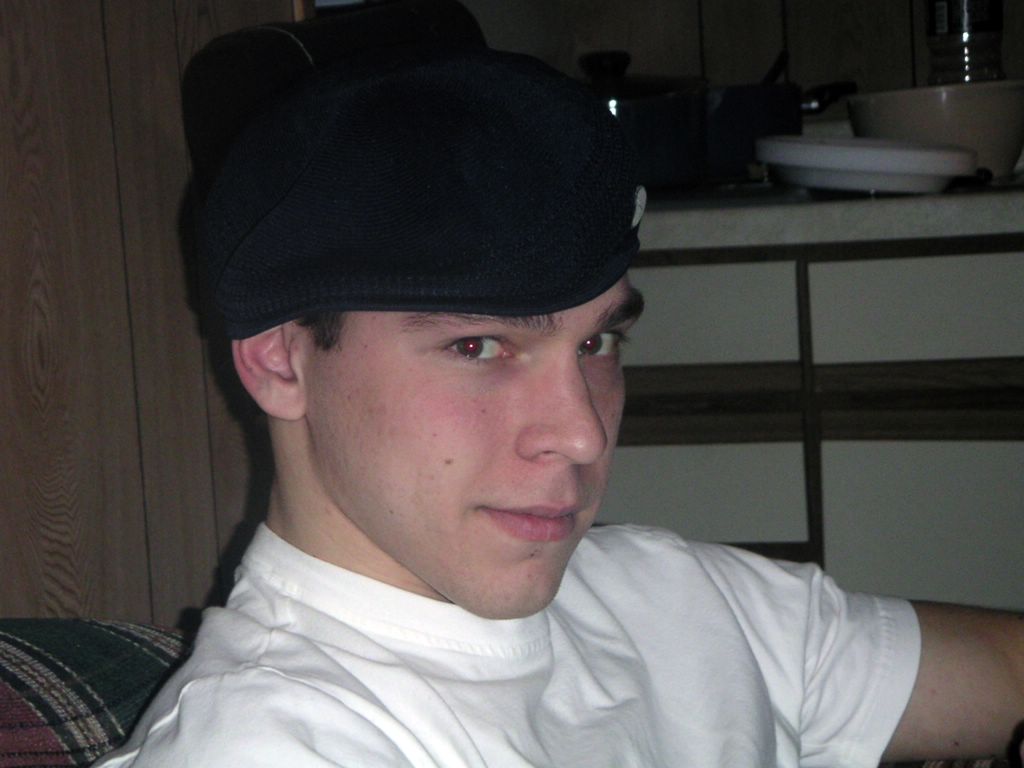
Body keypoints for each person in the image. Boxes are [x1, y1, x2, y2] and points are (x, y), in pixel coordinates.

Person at [96, 32, 1023, 768]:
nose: (581, 434)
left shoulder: (674, 601)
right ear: (279, 361)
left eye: (598, 343)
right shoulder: (276, 743)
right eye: (478, 347)